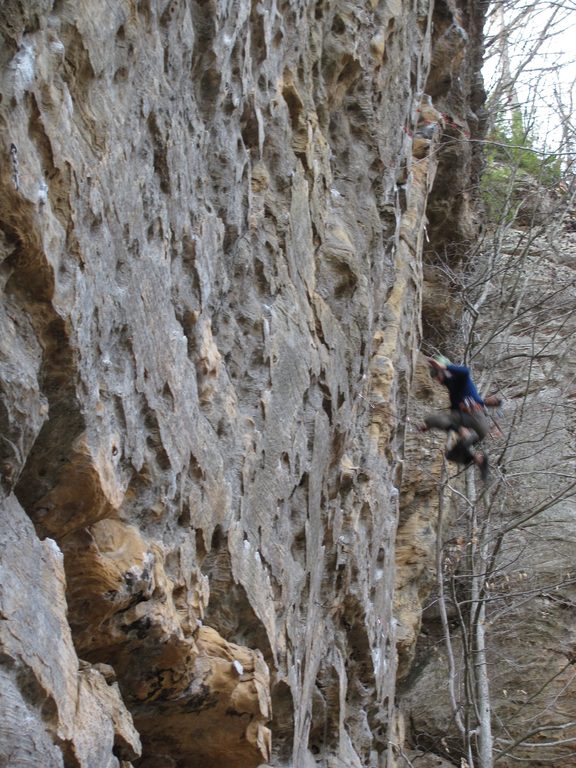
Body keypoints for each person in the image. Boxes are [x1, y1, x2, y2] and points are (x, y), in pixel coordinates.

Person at [419, 356, 497, 480]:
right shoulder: (453, 390)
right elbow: (453, 416)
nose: (437, 380)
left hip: (475, 419)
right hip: (475, 428)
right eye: (434, 377)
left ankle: (468, 434)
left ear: (444, 371)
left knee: (436, 419)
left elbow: (466, 371)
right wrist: (431, 425)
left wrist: (444, 366)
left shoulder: (459, 379)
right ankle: (479, 459)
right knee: (451, 455)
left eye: (437, 375)